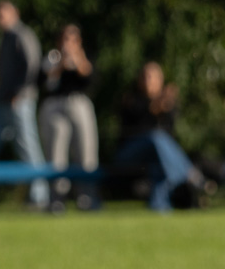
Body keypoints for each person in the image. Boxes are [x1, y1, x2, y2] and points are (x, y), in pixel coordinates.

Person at [0, 0, 47, 207]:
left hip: (20, 100)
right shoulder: (5, 37)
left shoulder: (22, 34)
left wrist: (18, 92)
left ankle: (40, 195)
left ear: (15, 13)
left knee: (27, 145)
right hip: (2, 100)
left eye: (3, 13)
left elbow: (32, 65)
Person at [115, 62, 203, 212]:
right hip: (127, 155)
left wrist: (166, 109)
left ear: (160, 80)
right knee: (156, 138)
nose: (148, 80)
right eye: (144, 76)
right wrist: (156, 108)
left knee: (159, 164)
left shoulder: (167, 105)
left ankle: (159, 205)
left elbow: (170, 139)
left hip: (156, 159)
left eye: (152, 77)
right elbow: (139, 125)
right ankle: (189, 175)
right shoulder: (130, 100)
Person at [39, 23, 99, 204]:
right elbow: (44, 82)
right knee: (56, 152)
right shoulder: (52, 57)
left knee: (85, 151)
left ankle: (87, 198)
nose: (69, 43)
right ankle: (57, 199)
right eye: (65, 39)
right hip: (55, 104)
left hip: (78, 102)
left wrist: (78, 61)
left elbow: (90, 79)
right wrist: (61, 66)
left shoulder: (84, 58)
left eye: (73, 40)